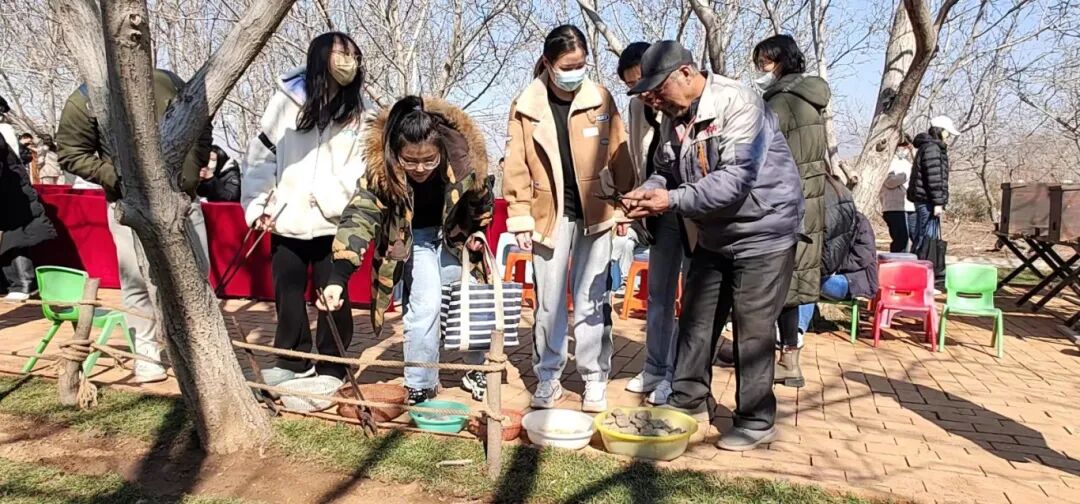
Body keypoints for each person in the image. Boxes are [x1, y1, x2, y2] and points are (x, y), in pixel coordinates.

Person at [624, 40, 803, 451]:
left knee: (752, 329)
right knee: (696, 319)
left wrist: (670, 201)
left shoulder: (739, 103)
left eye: (659, 89)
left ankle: (756, 420)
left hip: (764, 230)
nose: (655, 100)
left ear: (687, 73)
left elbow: (736, 179)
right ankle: (688, 402)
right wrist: (648, 189)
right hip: (713, 232)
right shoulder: (674, 116)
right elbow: (667, 169)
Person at [320, 95, 493, 405]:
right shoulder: (381, 173)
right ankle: (420, 383)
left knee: (469, 295)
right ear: (395, 152)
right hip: (415, 240)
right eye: (410, 161)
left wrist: (478, 231)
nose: (420, 168)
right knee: (426, 304)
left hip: (455, 238)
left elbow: (481, 201)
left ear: (441, 150)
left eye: (429, 160)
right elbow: (359, 217)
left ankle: (476, 367)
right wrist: (338, 277)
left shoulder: (463, 159)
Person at [503, 24, 636, 412]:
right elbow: (515, 165)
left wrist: (625, 205)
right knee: (548, 303)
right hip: (548, 216)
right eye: (568, 65)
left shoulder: (601, 98)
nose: (575, 72)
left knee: (593, 298)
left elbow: (620, 153)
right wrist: (520, 216)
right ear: (548, 63)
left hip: (597, 212)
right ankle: (548, 376)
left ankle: (594, 377)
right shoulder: (526, 105)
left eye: (581, 64)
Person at [57, 69, 212, 384]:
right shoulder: (86, 97)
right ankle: (146, 353)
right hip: (129, 205)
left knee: (198, 277)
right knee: (137, 281)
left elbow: (201, 122)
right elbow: (71, 153)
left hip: (182, 199)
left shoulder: (168, 82)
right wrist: (117, 178)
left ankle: (203, 351)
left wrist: (194, 164)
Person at [242, 32, 367, 409]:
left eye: (353, 55)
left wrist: (330, 198)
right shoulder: (286, 100)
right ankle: (291, 359)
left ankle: (333, 364)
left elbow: (361, 169)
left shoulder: (359, 111)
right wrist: (260, 205)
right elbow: (261, 155)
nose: (347, 61)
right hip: (287, 218)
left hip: (334, 221)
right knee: (288, 290)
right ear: (319, 58)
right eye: (340, 54)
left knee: (334, 294)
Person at [752, 35, 828, 389]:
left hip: (782, 200)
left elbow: (762, 156)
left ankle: (768, 356)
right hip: (809, 198)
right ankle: (788, 358)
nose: (760, 71)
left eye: (764, 63)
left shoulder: (781, 102)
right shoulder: (810, 99)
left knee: (773, 280)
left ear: (781, 61)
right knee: (792, 281)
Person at [618, 41, 688, 405]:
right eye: (632, 87)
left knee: (691, 299)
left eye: (643, 83)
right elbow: (639, 156)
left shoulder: (682, 103)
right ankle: (655, 367)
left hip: (691, 207)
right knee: (658, 295)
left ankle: (677, 374)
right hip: (655, 209)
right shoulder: (636, 106)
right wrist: (638, 198)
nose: (642, 93)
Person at [0, 126, 56, 301]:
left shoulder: (4, 131)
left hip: (13, 195)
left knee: (16, 240)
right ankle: (15, 283)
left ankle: (23, 283)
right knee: (13, 240)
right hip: (11, 192)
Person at [820, 176, 878, 304]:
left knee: (807, 283)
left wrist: (834, 266)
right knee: (803, 281)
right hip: (827, 276)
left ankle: (803, 319)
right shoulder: (824, 220)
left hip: (854, 280)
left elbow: (863, 256)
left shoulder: (860, 221)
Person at [908, 116, 958, 252]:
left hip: (924, 200)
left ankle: (921, 261)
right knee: (925, 239)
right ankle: (921, 262)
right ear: (941, 131)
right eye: (947, 132)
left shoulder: (929, 147)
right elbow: (933, 178)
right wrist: (938, 203)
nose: (948, 135)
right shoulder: (932, 148)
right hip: (927, 200)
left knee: (922, 237)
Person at [880, 135, 916, 253]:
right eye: (903, 146)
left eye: (908, 147)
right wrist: (905, 176)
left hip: (911, 207)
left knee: (916, 238)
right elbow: (889, 182)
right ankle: (898, 262)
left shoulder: (908, 163)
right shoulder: (887, 162)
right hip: (894, 207)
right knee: (901, 240)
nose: (905, 149)